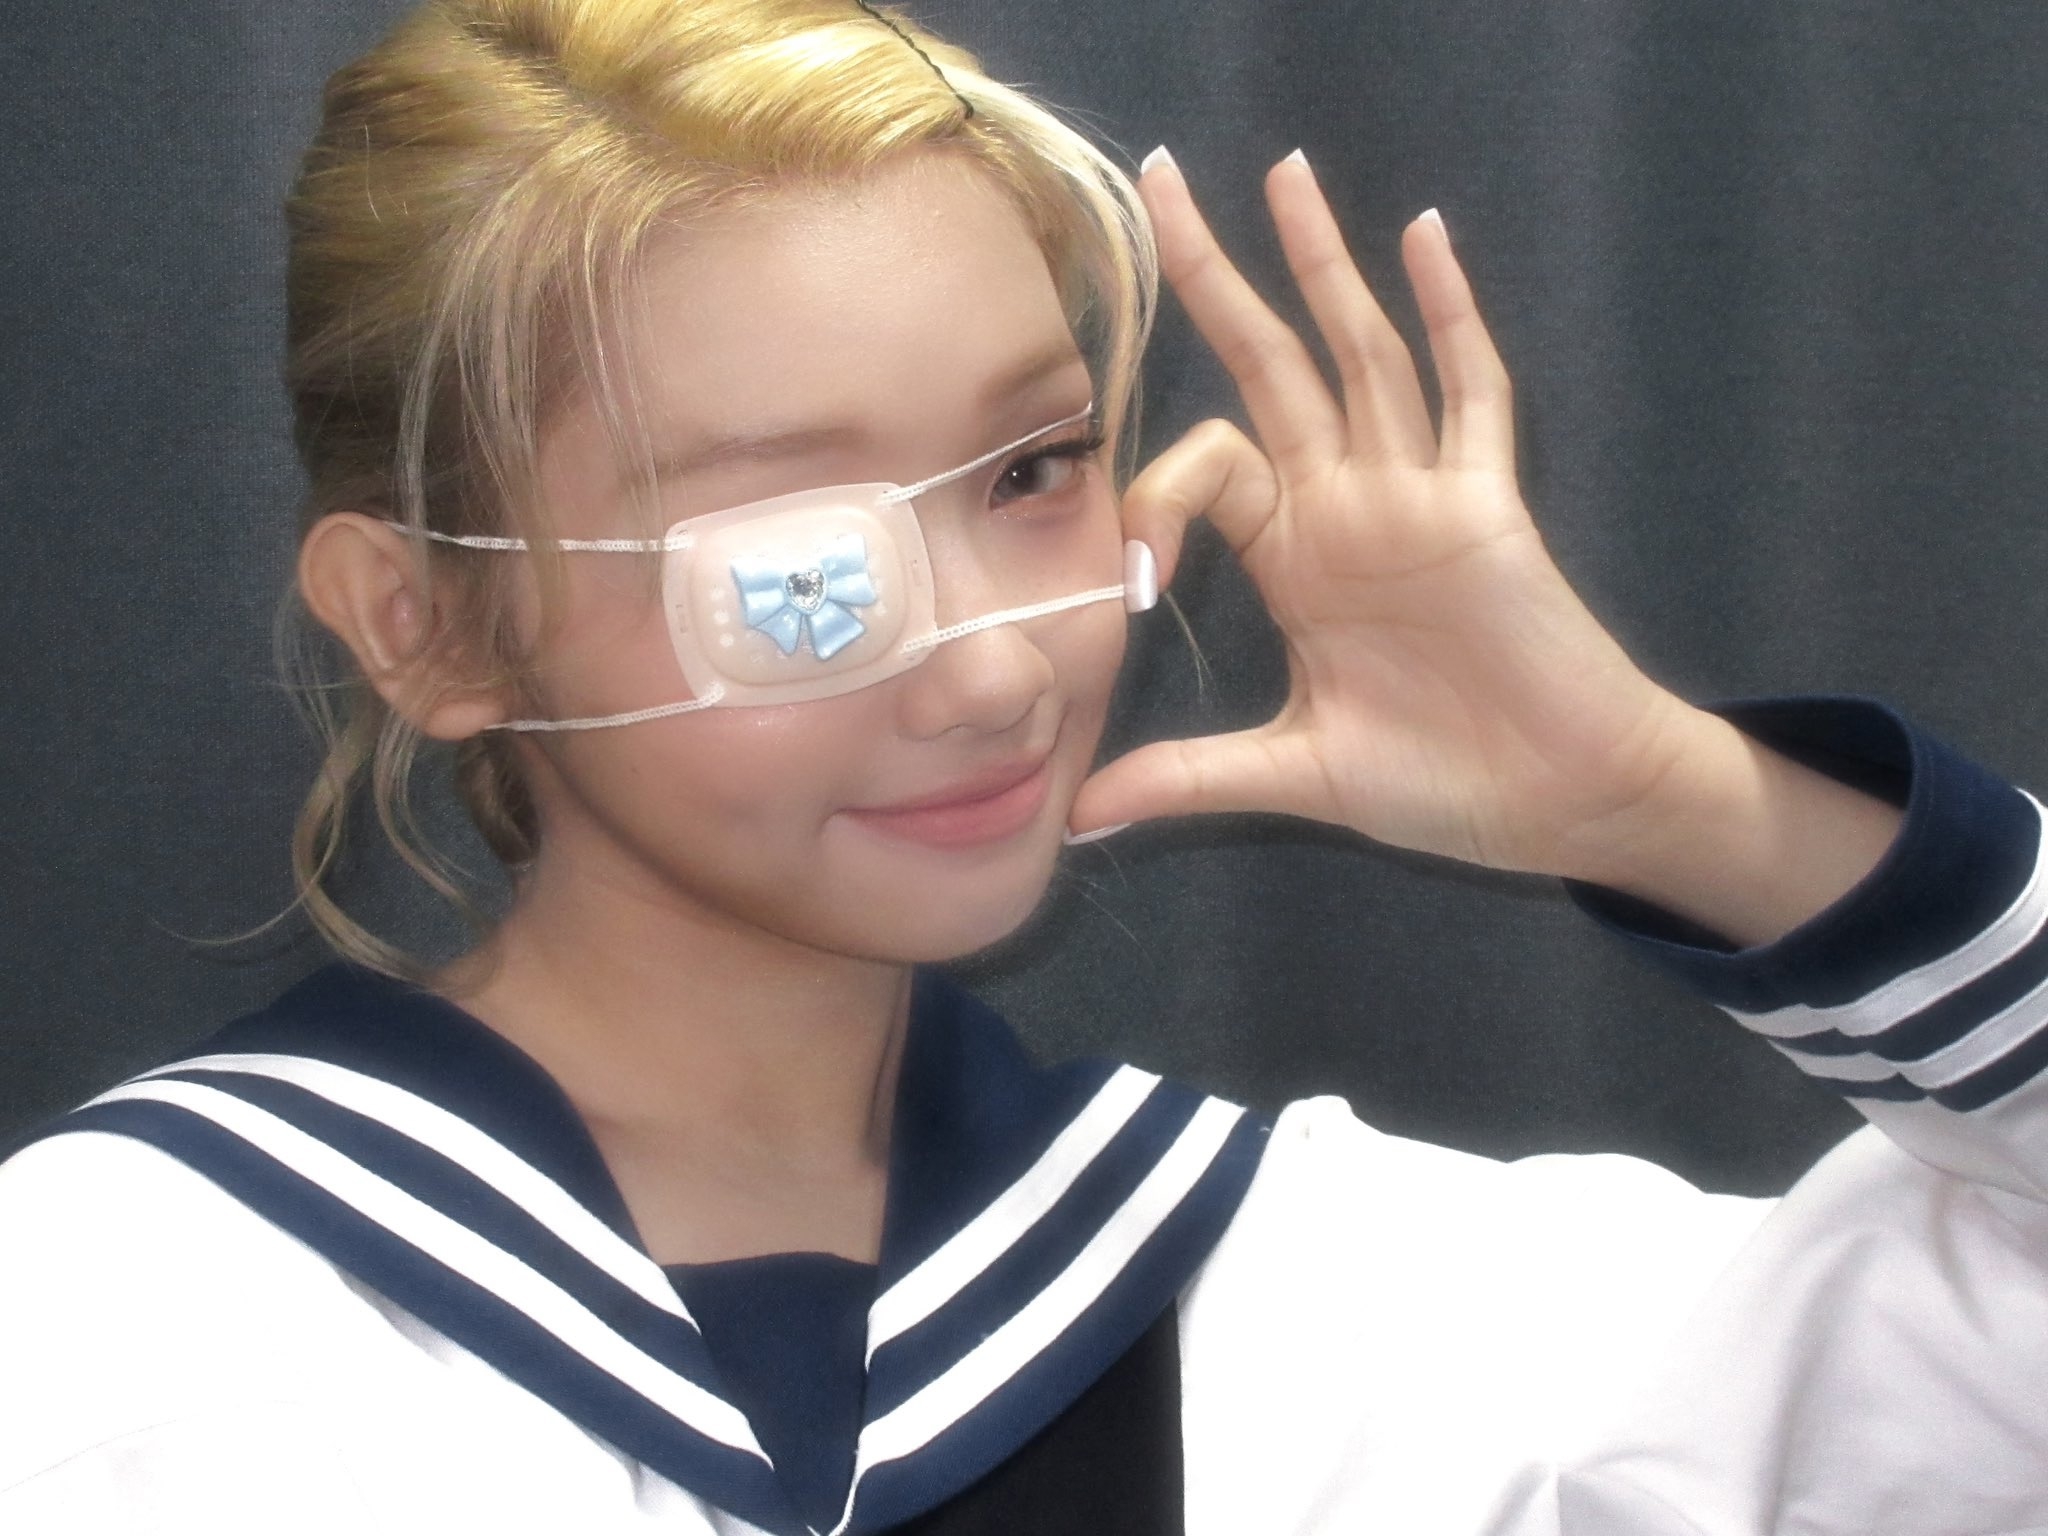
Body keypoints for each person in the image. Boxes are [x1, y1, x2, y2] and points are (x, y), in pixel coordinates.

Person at [1, 1, 2044, 1532]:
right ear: (426, 625)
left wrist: (1667, 803)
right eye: (796, 563)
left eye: (1034, 469)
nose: (992, 673)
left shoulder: (1348, 1324)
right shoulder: (113, 1338)